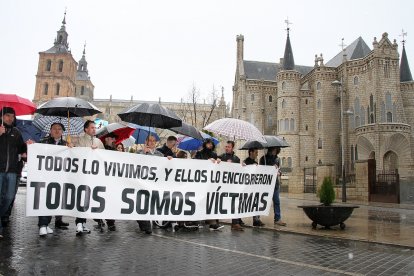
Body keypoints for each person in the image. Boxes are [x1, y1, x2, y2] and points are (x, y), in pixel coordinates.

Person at [37, 122, 71, 236]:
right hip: (45, 177)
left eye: (59, 129)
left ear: (62, 132)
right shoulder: (42, 142)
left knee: (53, 202)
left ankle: (46, 224)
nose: (57, 131)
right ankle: (42, 224)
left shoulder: (66, 144)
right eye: (54, 129)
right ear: (50, 130)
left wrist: (71, 149)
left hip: (59, 178)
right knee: (44, 200)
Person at [74, 120, 104, 236]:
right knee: (82, 198)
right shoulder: (80, 140)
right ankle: (79, 223)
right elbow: (77, 155)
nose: (94, 129)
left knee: (90, 199)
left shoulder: (98, 141)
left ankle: (84, 222)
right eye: (91, 127)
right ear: (86, 129)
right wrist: (88, 150)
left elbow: (104, 156)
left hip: (95, 176)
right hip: (83, 175)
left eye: (94, 127)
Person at [0, 107, 27, 238]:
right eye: (7, 116)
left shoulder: (16, 132)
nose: (10, 118)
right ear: (2, 117)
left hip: (12, 171)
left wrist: (27, 146)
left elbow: (22, 150)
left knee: (9, 197)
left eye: (12, 116)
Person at [135, 135, 164, 234]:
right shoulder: (139, 152)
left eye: (153, 141)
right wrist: (144, 153)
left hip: (154, 183)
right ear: (145, 141)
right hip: (141, 183)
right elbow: (134, 163)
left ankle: (147, 223)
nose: (151, 142)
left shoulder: (160, 154)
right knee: (141, 203)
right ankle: (144, 223)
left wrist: (169, 160)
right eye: (149, 140)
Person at [194, 139, 223, 231]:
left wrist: (219, 161)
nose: (210, 145)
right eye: (208, 143)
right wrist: (206, 161)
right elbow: (195, 164)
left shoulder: (214, 154)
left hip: (211, 182)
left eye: (211, 144)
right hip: (201, 182)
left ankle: (212, 223)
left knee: (210, 202)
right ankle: (197, 221)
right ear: (205, 144)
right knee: (200, 201)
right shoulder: (199, 153)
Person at [94, 132, 118, 231]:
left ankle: (110, 221)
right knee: (100, 200)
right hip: (101, 179)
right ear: (107, 139)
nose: (114, 140)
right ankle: (100, 219)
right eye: (112, 138)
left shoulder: (115, 150)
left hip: (111, 180)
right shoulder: (100, 148)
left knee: (109, 201)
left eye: (114, 139)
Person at [217, 141, 244, 231]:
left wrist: (243, 166)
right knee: (218, 202)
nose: (226, 148)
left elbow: (239, 171)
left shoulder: (236, 159)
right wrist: (219, 162)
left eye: (228, 147)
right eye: (226, 146)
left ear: (232, 148)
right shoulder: (221, 157)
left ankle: (235, 223)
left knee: (234, 203)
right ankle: (216, 222)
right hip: (222, 185)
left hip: (232, 185)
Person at [259, 147, 286, 226]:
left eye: (276, 150)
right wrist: (270, 167)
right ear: (270, 149)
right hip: (265, 184)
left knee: (277, 201)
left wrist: (278, 172)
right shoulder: (263, 159)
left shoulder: (277, 159)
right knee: (261, 202)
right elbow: (262, 170)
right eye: (273, 149)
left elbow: (279, 170)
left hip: (275, 184)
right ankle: (257, 218)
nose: (275, 151)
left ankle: (277, 219)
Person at [243, 148, 265, 227]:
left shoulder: (256, 162)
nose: (257, 154)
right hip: (247, 187)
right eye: (256, 152)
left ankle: (256, 219)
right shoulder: (245, 162)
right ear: (251, 152)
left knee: (256, 202)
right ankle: (238, 219)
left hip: (254, 187)